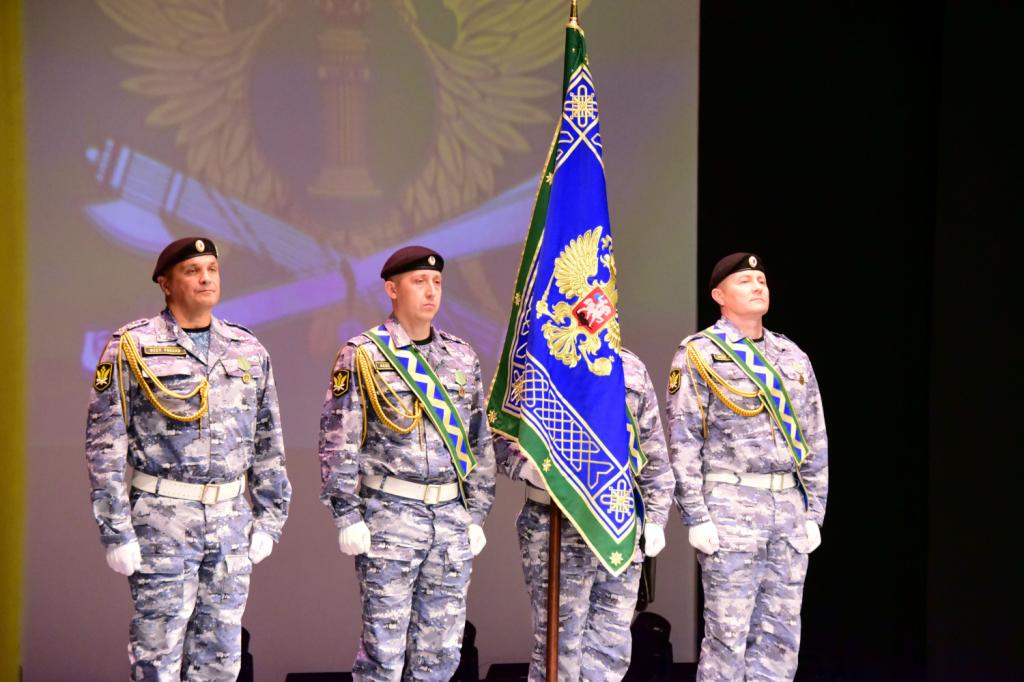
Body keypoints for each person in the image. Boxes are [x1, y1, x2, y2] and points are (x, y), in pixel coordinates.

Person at [85, 237, 292, 680]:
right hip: (164, 520)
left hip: (230, 520)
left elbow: (268, 439)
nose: (205, 278)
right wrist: (115, 529)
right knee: (158, 657)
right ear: (165, 283)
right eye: (192, 271)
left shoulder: (247, 348)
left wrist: (270, 518)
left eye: (212, 269)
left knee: (221, 658)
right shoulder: (131, 346)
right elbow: (104, 445)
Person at [318, 245, 496, 681]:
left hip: (450, 520)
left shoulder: (461, 356)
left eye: (437, 282)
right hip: (390, 517)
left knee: (441, 654)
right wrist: (346, 514)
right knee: (383, 653)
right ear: (392, 290)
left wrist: (477, 513)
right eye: (419, 282)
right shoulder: (363, 354)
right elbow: (338, 439)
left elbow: (480, 440)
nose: (431, 291)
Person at [666, 252, 828, 681]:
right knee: (728, 635)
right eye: (744, 281)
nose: (758, 286)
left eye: (762, 280)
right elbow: (683, 440)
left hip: (788, 509)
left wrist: (814, 511)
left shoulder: (792, 356)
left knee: (780, 636)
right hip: (730, 505)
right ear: (719, 296)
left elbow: (814, 439)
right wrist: (695, 515)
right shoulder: (700, 353)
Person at [495, 347, 674, 681]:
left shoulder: (631, 365)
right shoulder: (539, 355)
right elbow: (497, 433)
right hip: (556, 521)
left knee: (611, 646)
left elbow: (653, 453)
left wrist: (656, 517)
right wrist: (529, 468)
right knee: (558, 648)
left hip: (618, 524)